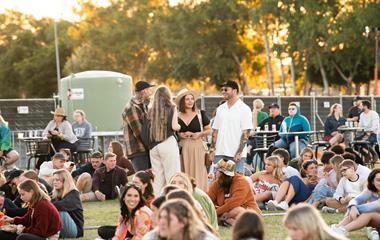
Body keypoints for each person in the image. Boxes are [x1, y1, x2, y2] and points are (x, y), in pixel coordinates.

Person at [210, 80, 252, 174]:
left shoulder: (244, 109)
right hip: (219, 153)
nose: (223, 92)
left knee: (236, 184)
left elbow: (246, 132)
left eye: (226, 89)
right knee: (219, 184)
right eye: (222, 90)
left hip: (235, 154)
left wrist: (239, 152)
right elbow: (215, 131)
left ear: (234, 91)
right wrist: (212, 150)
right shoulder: (220, 109)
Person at [148, 86, 181, 196]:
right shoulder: (172, 107)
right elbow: (174, 126)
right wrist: (180, 126)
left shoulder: (151, 110)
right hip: (168, 143)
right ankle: (173, 200)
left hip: (154, 146)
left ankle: (157, 203)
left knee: (157, 178)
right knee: (172, 175)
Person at [176, 88, 211, 192]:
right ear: (182, 101)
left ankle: (199, 194)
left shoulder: (201, 114)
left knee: (198, 172)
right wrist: (179, 134)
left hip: (198, 147)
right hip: (182, 148)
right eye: (187, 99)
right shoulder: (176, 115)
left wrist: (200, 134)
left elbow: (209, 130)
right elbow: (173, 131)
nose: (190, 101)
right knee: (184, 172)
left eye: (192, 99)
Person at [208, 159, 261, 226]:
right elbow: (208, 199)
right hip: (224, 212)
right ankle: (227, 221)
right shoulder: (218, 183)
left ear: (225, 174)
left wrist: (215, 212)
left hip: (248, 212)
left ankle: (226, 221)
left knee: (237, 210)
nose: (216, 174)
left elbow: (234, 203)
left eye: (218, 172)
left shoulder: (241, 181)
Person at [331, 168, 380, 236]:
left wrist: (353, 208)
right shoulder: (370, 191)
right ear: (372, 181)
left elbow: (371, 207)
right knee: (358, 211)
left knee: (368, 213)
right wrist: (353, 206)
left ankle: (343, 230)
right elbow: (355, 200)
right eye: (378, 180)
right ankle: (337, 228)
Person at [142, 199, 218, 240]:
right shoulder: (152, 237)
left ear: (184, 221)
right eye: (161, 217)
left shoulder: (205, 238)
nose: (162, 222)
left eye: (168, 218)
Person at [122, 80, 155, 171]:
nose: (150, 93)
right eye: (149, 90)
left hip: (144, 148)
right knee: (143, 179)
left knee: (150, 179)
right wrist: (153, 145)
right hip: (138, 150)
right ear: (144, 92)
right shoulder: (132, 108)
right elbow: (140, 132)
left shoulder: (142, 105)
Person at [51, 169, 84, 238]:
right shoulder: (55, 194)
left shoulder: (73, 194)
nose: (54, 182)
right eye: (53, 180)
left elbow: (60, 205)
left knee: (60, 211)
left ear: (65, 181)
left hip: (75, 230)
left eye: (57, 180)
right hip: (62, 229)